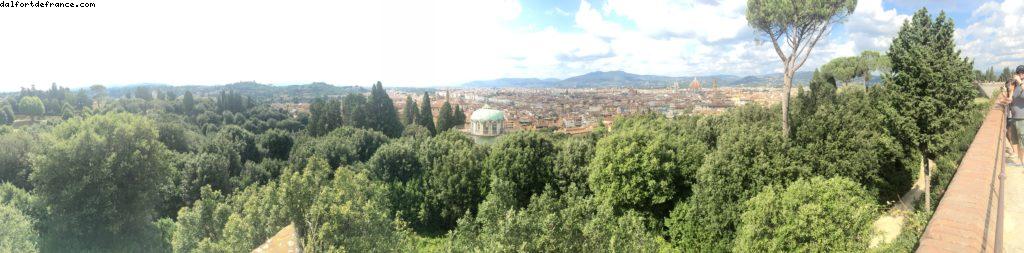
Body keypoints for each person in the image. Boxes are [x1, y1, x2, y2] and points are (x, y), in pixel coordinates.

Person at [1006, 65, 1024, 164]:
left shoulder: (1021, 84)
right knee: (1017, 143)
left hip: (1022, 119)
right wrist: (1009, 99)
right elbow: (1012, 98)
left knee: (1023, 144)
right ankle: (1021, 163)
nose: (1020, 74)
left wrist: (1020, 82)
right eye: (1019, 72)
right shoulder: (1016, 85)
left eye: (1022, 72)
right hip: (1015, 118)